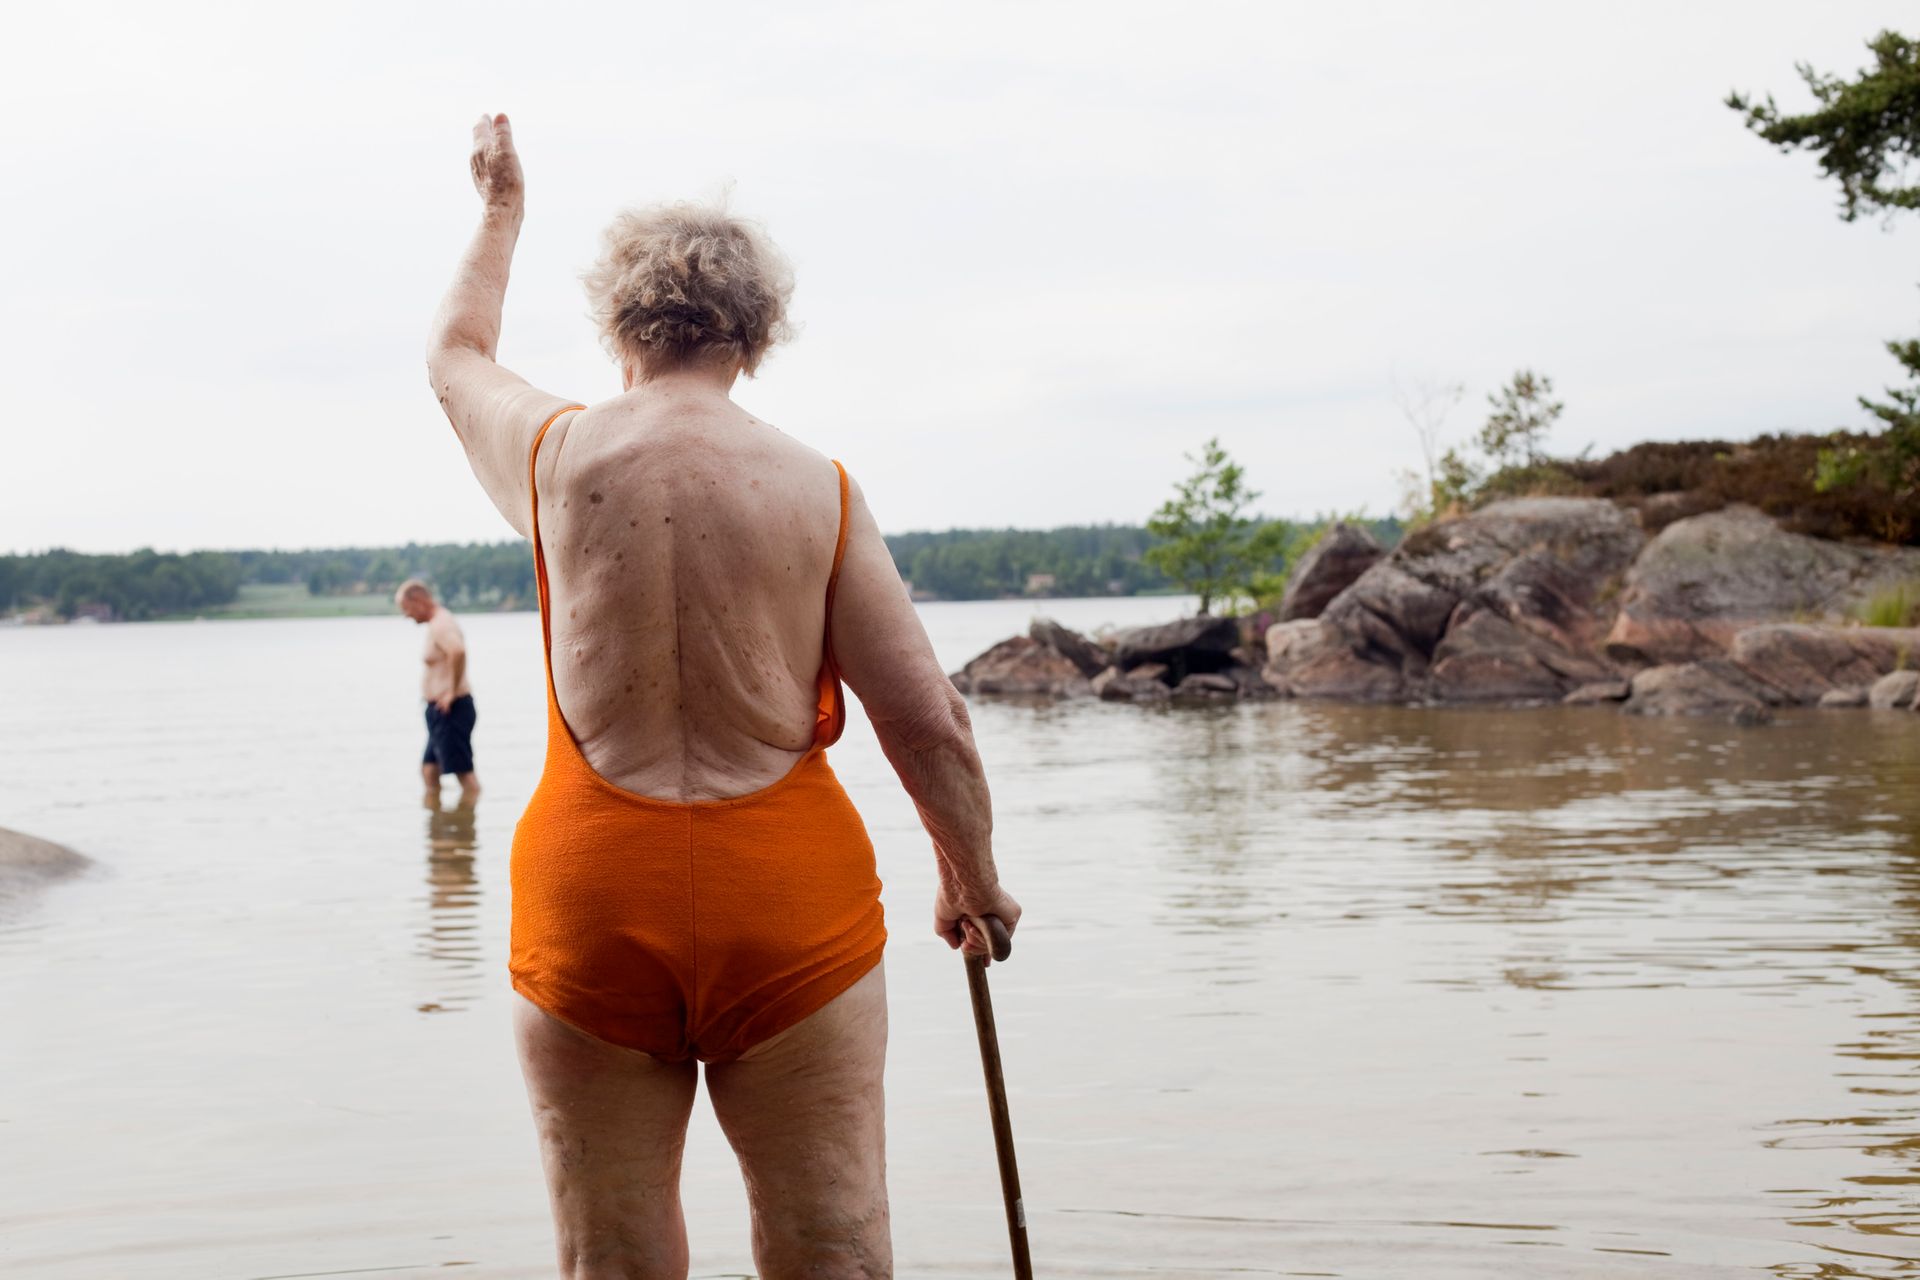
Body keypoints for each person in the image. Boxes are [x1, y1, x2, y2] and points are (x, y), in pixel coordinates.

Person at [425, 112, 1022, 1278]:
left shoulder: (552, 456)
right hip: (787, 900)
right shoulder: (819, 489)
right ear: (754, 336)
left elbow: (453, 355)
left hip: (592, 897)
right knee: (832, 1243)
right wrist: (973, 877)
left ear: (618, 325)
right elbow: (928, 720)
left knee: (613, 1257)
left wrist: (500, 210)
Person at [396, 579, 480, 803]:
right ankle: (437, 827)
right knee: (429, 770)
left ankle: (466, 830)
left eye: (406, 608)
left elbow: (458, 652)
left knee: (463, 774)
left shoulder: (441, 624)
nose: (406, 615)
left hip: (451, 708)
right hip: (440, 710)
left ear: (419, 600)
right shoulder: (437, 623)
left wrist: (451, 692)